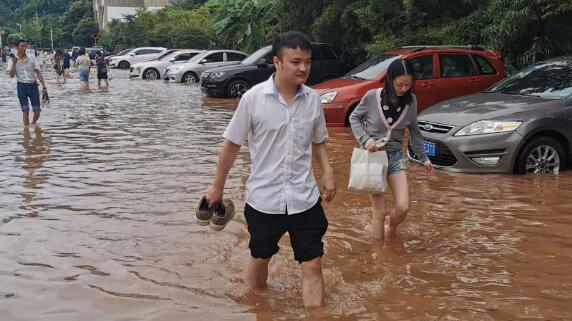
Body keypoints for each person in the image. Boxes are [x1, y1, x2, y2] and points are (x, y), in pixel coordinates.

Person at [202, 31, 336, 307]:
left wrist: (328, 172)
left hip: (305, 198)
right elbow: (232, 145)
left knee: (312, 264)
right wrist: (217, 187)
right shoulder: (253, 99)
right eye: (296, 61)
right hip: (264, 199)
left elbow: (319, 140)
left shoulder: (313, 100)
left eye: (308, 62)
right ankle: (257, 307)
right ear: (277, 62)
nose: (303, 68)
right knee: (261, 256)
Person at [349, 59, 434, 241]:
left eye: (408, 85)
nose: (404, 89)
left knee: (403, 207)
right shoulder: (372, 96)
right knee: (380, 211)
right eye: (400, 84)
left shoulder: (411, 102)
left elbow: (415, 133)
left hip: (396, 157)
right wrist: (365, 140)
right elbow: (354, 118)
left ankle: (391, 228)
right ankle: (378, 257)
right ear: (389, 80)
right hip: (373, 156)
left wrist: (424, 158)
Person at [9, 39, 48, 127]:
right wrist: (14, 63)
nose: (24, 48)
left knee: (37, 111)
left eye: (25, 46)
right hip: (21, 87)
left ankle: (33, 124)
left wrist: (44, 86)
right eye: (22, 46)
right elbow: (11, 75)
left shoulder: (32, 57)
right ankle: (26, 132)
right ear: (16, 47)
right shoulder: (12, 60)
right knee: (25, 111)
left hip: (33, 86)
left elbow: (38, 72)